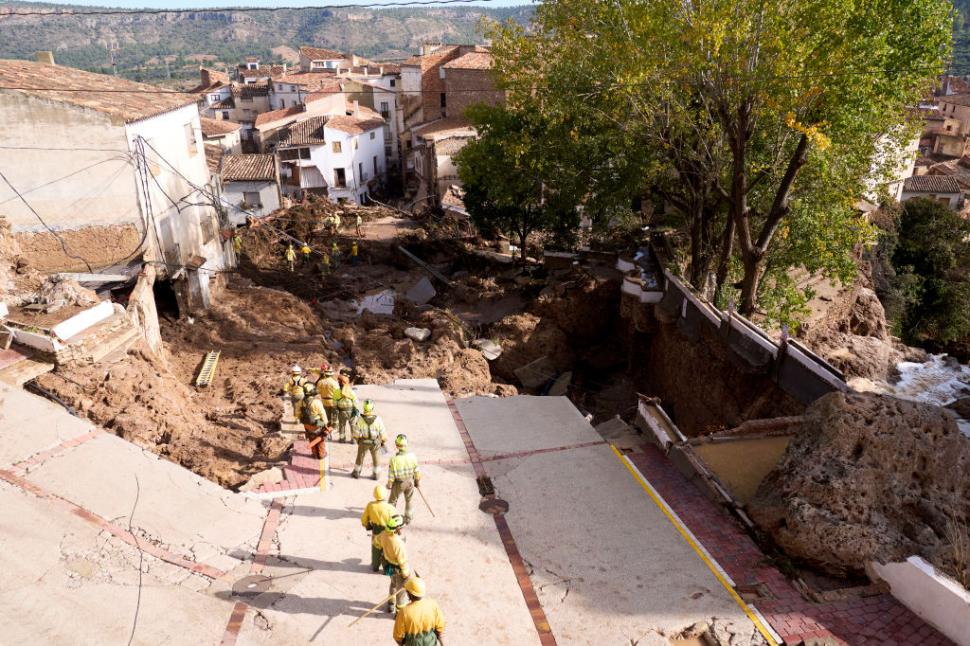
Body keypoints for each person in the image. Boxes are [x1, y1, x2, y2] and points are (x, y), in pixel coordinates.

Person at [393, 577, 445, 646]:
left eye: (407, 591)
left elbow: (397, 637)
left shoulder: (404, 612)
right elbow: (440, 629)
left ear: (410, 594)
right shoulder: (433, 605)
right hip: (430, 642)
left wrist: (403, 643)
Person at [379, 514, 411, 613]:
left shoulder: (383, 534)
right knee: (401, 592)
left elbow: (377, 542)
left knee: (393, 584)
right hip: (398, 569)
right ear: (397, 528)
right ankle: (399, 613)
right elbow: (402, 561)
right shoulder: (398, 544)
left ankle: (391, 603)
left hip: (389, 566)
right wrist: (405, 574)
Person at [387, 434, 422, 524]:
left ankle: (391, 517)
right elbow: (417, 472)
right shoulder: (413, 456)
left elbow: (391, 475)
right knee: (409, 500)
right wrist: (417, 482)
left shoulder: (393, 459)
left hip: (399, 483)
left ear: (396, 445)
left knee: (392, 501)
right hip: (410, 482)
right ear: (406, 444)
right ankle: (408, 517)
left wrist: (389, 484)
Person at [360, 485, 396, 572]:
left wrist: (366, 525)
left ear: (374, 494)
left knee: (376, 549)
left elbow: (364, 519)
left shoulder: (370, 505)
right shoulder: (391, 508)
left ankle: (375, 566)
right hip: (388, 531)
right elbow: (395, 521)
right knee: (387, 550)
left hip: (376, 530)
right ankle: (388, 570)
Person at [351, 399, 387, 480]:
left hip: (364, 442)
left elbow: (356, 433)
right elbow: (383, 434)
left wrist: (358, 440)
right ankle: (376, 475)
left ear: (364, 408)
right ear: (372, 408)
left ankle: (356, 472)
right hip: (375, 442)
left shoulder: (360, 419)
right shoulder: (378, 419)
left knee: (360, 457)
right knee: (376, 458)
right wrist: (383, 441)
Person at [300, 383, 329, 459]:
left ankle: (315, 454)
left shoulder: (302, 401)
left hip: (306, 424)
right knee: (320, 439)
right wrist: (326, 424)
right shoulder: (316, 402)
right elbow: (323, 414)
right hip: (316, 425)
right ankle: (321, 454)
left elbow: (299, 413)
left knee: (311, 438)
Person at [315, 363, 340, 436]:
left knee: (326, 416)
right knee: (335, 417)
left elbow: (317, 392)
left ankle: (326, 428)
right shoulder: (334, 383)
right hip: (333, 401)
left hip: (324, 401)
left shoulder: (320, 382)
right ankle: (332, 429)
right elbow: (338, 393)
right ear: (331, 375)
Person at [334, 373, 359, 442]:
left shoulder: (337, 391)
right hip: (351, 411)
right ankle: (353, 440)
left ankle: (342, 439)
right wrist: (356, 410)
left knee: (342, 426)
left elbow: (334, 403)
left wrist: (336, 410)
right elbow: (355, 401)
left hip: (341, 411)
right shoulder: (351, 391)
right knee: (353, 425)